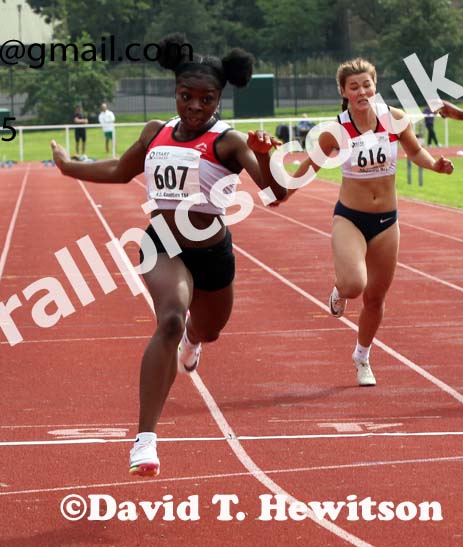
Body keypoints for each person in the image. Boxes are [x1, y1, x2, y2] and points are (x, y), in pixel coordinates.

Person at [50, 34, 287, 478]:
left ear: (219, 98)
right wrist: (69, 167)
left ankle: (195, 343)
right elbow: (120, 171)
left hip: (213, 251)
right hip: (161, 244)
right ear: (174, 92)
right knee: (171, 319)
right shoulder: (155, 133)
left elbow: (277, 195)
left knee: (208, 329)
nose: (195, 106)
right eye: (186, 96)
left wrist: (265, 160)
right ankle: (145, 440)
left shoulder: (229, 142)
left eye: (206, 99)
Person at [281, 58, 453, 387]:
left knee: (375, 298)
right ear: (343, 92)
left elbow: (416, 152)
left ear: (375, 85)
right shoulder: (336, 131)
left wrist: (435, 165)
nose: (362, 91)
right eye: (354, 86)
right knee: (354, 285)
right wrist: (285, 192)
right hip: (351, 217)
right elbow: (310, 166)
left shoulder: (395, 120)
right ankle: (339, 290)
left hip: (387, 221)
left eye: (367, 84)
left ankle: (362, 356)